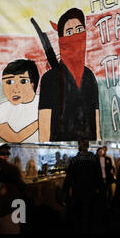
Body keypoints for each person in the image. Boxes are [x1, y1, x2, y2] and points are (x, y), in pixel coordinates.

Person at [39, 8, 100, 142]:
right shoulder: (49, 79)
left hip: (88, 147)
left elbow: (96, 118)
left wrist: (98, 144)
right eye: (69, 32)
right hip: (60, 143)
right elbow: (43, 125)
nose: (75, 36)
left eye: (79, 30)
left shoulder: (89, 76)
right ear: (61, 39)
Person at [0, 59, 40, 143]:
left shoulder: (45, 102)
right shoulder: (2, 108)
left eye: (23, 81)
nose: (15, 89)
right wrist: (42, 120)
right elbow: (14, 138)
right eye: (9, 82)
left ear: (32, 84)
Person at [62, 141, 99, 233]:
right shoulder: (93, 158)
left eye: (86, 142)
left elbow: (69, 178)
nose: (85, 143)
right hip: (88, 193)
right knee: (87, 218)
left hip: (80, 193)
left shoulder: (75, 160)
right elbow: (98, 177)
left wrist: (65, 192)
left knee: (81, 218)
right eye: (83, 142)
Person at [0, 145, 26, 234]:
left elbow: (7, 170)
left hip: (12, 209)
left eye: (7, 154)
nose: (6, 156)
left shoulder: (12, 169)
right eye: (3, 154)